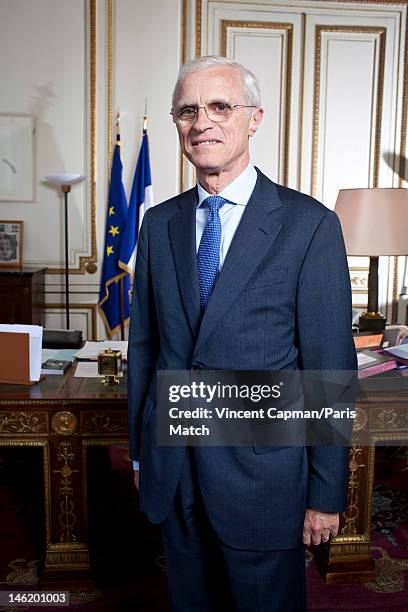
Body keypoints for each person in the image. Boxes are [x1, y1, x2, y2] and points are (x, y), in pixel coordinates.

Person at [128, 56, 357, 612]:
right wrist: (141, 456)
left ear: (253, 119)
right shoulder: (159, 223)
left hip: (263, 478)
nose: (201, 121)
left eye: (219, 106)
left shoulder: (309, 226)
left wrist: (326, 493)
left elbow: (330, 368)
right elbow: (146, 350)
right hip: (176, 467)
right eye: (187, 110)